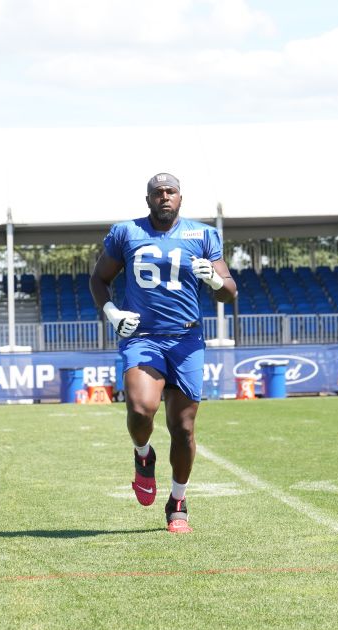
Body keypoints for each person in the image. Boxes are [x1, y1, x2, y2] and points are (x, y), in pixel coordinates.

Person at [89, 172, 238, 534]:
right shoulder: (126, 232)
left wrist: (215, 281)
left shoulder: (202, 234)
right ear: (148, 199)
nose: (165, 197)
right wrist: (112, 313)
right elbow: (99, 279)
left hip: (186, 340)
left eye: (171, 192)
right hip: (142, 336)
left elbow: (229, 292)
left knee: (182, 427)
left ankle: (178, 501)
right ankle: (143, 455)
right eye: (158, 192)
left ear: (181, 198)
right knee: (141, 409)